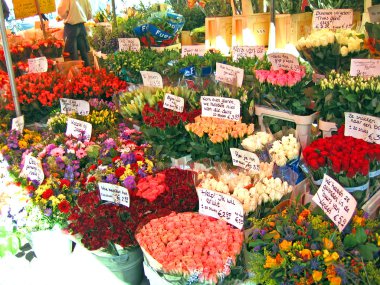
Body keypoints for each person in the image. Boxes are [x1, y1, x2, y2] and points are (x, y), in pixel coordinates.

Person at [57, 0, 92, 66]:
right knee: (84, 52)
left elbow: (62, 13)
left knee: (74, 53)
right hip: (82, 26)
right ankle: (88, 70)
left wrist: (63, 17)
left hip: (71, 27)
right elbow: (89, 14)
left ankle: (77, 73)